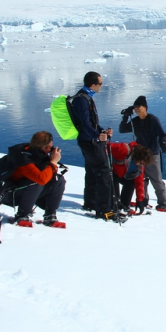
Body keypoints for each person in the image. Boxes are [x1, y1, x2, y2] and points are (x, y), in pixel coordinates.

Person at [70, 71, 122, 221]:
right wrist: (97, 136)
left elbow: (91, 123)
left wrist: (101, 131)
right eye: (100, 83)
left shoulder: (86, 97)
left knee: (92, 172)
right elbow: (84, 124)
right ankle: (104, 210)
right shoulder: (82, 100)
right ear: (93, 85)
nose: (102, 86)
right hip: (89, 142)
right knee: (104, 172)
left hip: (89, 140)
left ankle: (91, 203)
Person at [1, 131, 66, 227]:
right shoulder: (23, 158)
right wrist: (53, 162)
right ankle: (22, 215)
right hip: (11, 194)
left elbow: (48, 176)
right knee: (36, 181)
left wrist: (51, 163)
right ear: (42, 148)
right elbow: (41, 179)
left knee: (58, 180)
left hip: (30, 191)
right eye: (49, 148)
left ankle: (50, 214)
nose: (51, 150)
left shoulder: (38, 155)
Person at [119, 95, 166, 212]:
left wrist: (163, 143)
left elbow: (162, 134)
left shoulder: (153, 120)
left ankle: (163, 204)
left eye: (138, 106)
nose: (136, 108)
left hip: (152, 154)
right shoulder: (135, 121)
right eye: (134, 107)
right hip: (139, 154)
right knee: (141, 179)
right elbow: (122, 130)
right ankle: (143, 201)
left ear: (145, 108)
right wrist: (125, 117)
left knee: (156, 179)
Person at [111, 141, 154, 215]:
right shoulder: (123, 149)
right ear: (138, 156)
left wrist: (139, 200)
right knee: (115, 197)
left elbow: (139, 182)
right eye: (141, 162)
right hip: (112, 172)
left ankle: (124, 205)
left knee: (131, 183)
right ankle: (113, 204)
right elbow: (106, 147)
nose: (142, 165)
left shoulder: (139, 166)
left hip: (122, 174)